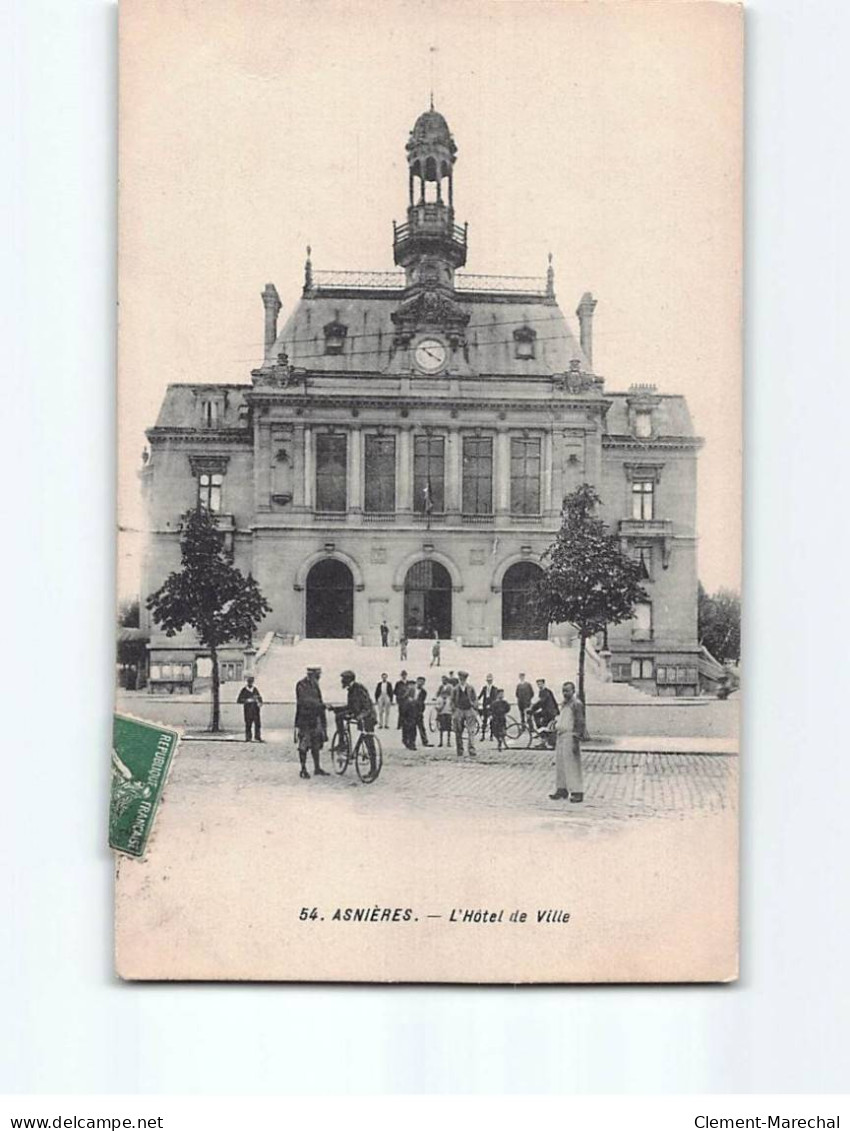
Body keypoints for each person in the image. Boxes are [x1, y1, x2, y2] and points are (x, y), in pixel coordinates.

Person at [549, 681, 586, 802]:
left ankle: (577, 791)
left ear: (573, 691)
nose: (565, 693)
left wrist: (577, 736)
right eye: (563, 690)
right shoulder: (564, 704)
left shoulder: (576, 704)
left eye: (567, 691)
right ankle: (561, 789)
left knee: (572, 765)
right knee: (560, 764)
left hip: (571, 736)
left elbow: (580, 721)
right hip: (561, 735)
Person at [339, 670, 378, 774]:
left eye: (343, 679)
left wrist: (360, 716)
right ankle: (342, 742)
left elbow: (367, 706)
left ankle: (373, 769)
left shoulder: (359, 688)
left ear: (348, 679)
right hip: (360, 716)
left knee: (369, 743)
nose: (341, 681)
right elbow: (350, 706)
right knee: (339, 716)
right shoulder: (350, 690)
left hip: (368, 717)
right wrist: (336, 708)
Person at [294, 666, 328, 779]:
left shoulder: (315, 685)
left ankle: (317, 768)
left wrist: (323, 720)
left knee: (316, 744)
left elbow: (319, 700)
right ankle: (303, 769)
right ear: (311, 674)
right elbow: (304, 701)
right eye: (317, 675)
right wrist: (320, 705)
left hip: (316, 718)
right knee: (304, 744)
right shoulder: (301, 685)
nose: (319, 677)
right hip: (305, 720)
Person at [451, 670, 478, 758]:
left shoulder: (470, 688)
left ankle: (471, 750)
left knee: (471, 731)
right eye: (460, 678)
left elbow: (475, 699)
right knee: (458, 731)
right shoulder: (455, 689)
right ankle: (460, 750)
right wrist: (454, 711)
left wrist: (474, 708)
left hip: (469, 710)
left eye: (463, 678)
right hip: (459, 710)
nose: (462, 680)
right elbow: (452, 700)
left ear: (466, 679)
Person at [531, 678, 559, 748]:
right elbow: (553, 700)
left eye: (541, 684)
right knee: (546, 726)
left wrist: (532, 709)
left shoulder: (544, 692)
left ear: (544, 684)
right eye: (538, 684)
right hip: (549, 711)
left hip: (548, 712)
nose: (539, 685)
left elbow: (542, 701)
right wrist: (557, 710)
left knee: (542, 725)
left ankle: (543, 741)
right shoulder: (548, 691)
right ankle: (544, 739)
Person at [237, 674, 263, 742]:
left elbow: (259, 698)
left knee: (257, 724)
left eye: (251, 682)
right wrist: (247, 700)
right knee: (248, 724)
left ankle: (257, 737)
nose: (250, 683)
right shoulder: (244, 690)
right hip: (248, 710)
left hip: (255, 710)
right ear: (247, 682)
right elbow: (239, 700)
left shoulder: (255, 689)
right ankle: (248, 737)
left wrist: (259, 702)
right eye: (249, 682)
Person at [399, 680, 419, 750]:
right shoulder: (407, 698)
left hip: (412, 716)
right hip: (408, 716)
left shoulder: (413, 698)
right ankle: (409, 743)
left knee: (412, 730)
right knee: (408, 730)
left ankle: (411, 743)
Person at [435, 676, 454, 748]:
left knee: (448, 727)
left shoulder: (450, 687)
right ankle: (441, 742)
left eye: (444, 680)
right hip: (442, 711)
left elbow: (452, 695)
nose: (443, 681)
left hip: (448, 711)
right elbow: (437, 694)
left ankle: (448, 742)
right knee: (441, 727)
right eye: (442, 680)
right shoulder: (441, 687)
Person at [414, 676, 432, 748]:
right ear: (417, 681)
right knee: (411, 728)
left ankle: (425, 741)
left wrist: (421, 711)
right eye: (419, 682)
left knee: (421, 727)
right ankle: (411, 742)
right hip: (411, 711)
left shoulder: (424, 692)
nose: (421, 683)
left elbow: (421, 702)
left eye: (422, 682)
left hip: (418, 711)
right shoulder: (412, 690)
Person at [478, 673, 495, 741]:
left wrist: (491, 705)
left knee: (492, 722)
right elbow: (480, 696)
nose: (489, 682)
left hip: (491, 707)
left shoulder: (494, 688)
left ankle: (491, 736)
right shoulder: (484, 688)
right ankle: (483, 736)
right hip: (485, 706)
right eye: (488, 681)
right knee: (484, 721)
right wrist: (476, 701)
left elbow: (494, 698)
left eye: (490, 681)